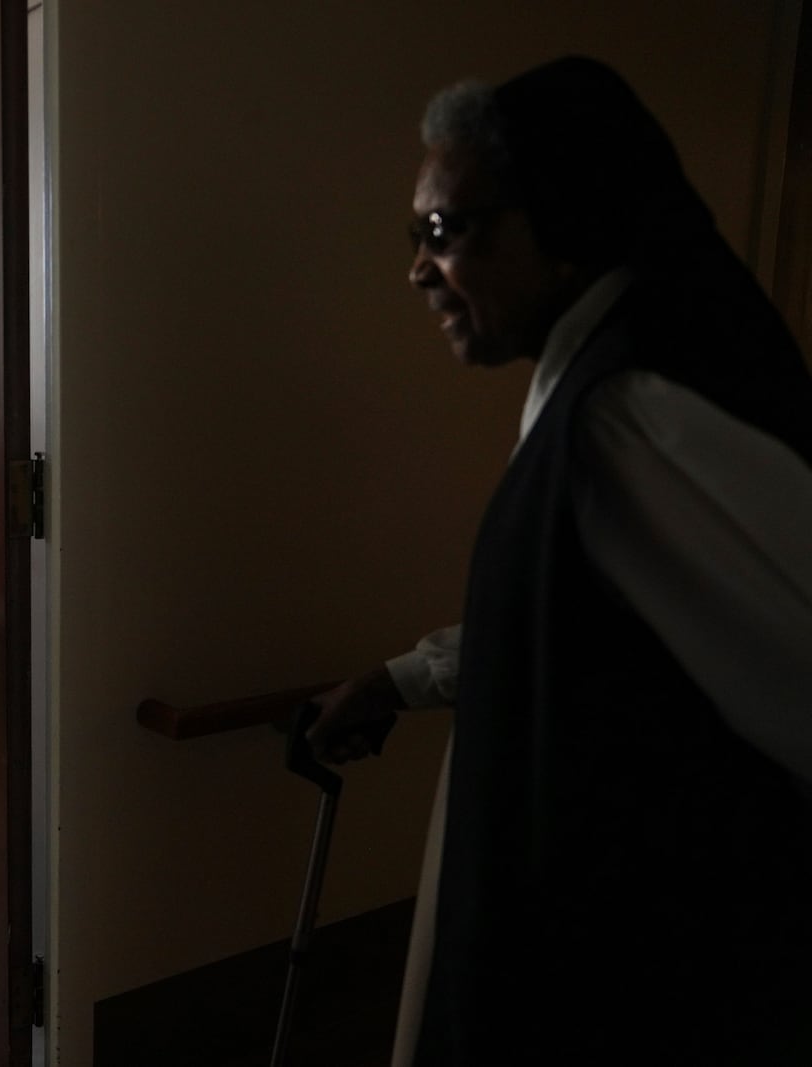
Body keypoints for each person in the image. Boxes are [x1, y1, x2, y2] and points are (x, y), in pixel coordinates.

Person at [308, 58, 812, 1065]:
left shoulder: (634, 409)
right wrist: (404, 678)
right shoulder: (597, 373)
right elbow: (573, 610)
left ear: (565, 223)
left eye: (444, 233)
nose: (417, 268)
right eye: (417, 236)